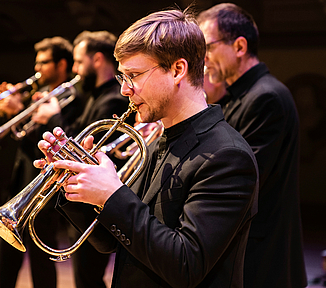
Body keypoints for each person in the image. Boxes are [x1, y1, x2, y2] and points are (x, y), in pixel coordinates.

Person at [34, 8, 259, 288]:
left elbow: (186, 265)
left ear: (178, 69)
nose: (125, 90)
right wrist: (77, 184)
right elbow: (111, 240)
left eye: (134, 75)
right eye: (122, 77)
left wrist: (112, 194)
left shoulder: (227, 156)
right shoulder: (157, 140)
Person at [198, 4, 307, 288]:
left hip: (265, 259)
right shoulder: (237, 96)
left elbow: (240, 180)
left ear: (240, 46)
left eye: (207, 47)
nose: (203, 59)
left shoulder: (265, 97)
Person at [32, 30, 133, 288]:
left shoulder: (112, 99)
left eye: (78, 61)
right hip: (85, 197)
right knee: (83, 277)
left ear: (97, 60)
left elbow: (79, 143)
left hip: (99, 200)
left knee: (88, 277)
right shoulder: (93, 97)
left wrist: (54, 117)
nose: (75, 69)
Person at [0, 36, 81, 288]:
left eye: (44, 62)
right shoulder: (36, 95)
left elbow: (62, 138)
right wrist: (17, 113)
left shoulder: (71, 98)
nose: (37, 68)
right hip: (21, 180)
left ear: (62, 64)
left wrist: (34, 115)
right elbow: (24, 136)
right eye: (36, 62)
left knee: (41, 257)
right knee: (5, 251)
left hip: (44, 185)